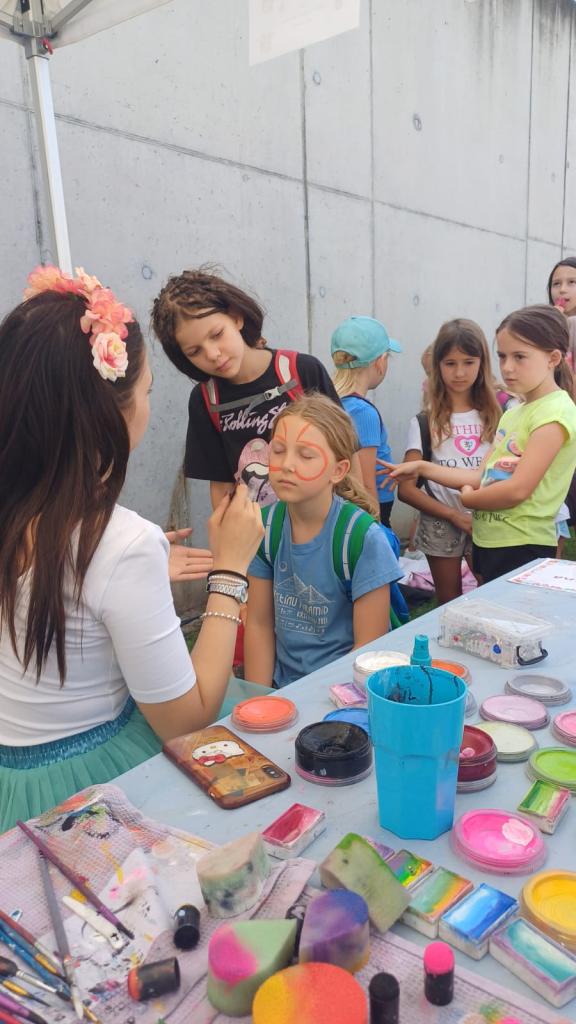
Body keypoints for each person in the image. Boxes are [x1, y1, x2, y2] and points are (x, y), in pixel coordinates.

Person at [0, 266, 264, 832]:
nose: (147, 405)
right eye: (146, 392)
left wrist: (121, 581)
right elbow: (186, 723)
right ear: (111, 411)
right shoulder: (118, 542)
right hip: (88, 796)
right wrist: (230, 572)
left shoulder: (21, 511)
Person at [382, 306, 576, 584]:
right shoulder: (514, 412)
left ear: (553, 358)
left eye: (519, 357)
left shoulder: (554, 412)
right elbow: (480, 476)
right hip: (491, 541)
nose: (507, 367)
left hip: (522, 544)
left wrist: (468, 500)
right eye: (502, 356)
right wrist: (422, 467)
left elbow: (518, 489)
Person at [243, 395, 401, 688]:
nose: (287, 465)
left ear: (338, 470)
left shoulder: (362, 538)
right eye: (278, 450)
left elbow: (368, 648)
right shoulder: (263, 527)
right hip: (282, 689)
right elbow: (259, 624)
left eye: (306, 456)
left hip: (344, 690)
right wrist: (260, 700)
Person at [151, 268, 341, 509]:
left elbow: (344, 450)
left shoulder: (302, 370)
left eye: (217, 334)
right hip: (257, 531)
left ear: (236, 317)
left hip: (323, 522)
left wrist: (365, 513)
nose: (213, 354)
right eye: (194, 351)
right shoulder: (205, 400)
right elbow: (221, 486)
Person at [393, 320, 501, 604]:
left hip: (489, 518)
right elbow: (406, 490)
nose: (460, 372)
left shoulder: (500, 415)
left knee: (493, 596)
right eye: (450, 363)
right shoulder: (424, 422)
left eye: (469, 362)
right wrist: (453, 515)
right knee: (449, 601)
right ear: (437, 365)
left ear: (482, 362)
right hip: (440, 521)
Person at [331, 316, 402, 527]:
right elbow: (366, 486)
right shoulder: (363, 412)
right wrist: (376, 530)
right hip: (370, 511)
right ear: (380, 362)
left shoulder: (331, 402)